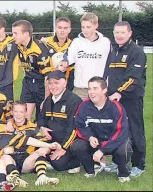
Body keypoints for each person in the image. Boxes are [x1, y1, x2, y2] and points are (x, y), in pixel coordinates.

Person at [104, 21, 147, 177]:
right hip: (115, 99)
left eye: (122, 32)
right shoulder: (114, 50)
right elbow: (108, 75)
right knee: (117, 131)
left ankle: (138, 165)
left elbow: (133, 78)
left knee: (135, 130)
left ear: (130, 33)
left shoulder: (137, 52)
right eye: (116, 33)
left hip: (131, 99)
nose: (119, 36)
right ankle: (118, 161)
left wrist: (119, 92)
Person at [72, 76, 131, 182]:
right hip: (96, 140)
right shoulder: (84, 106)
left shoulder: (116, 107)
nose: (91, 92)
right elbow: (79, 126)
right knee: (77, 146)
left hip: (114, 141)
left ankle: (123, 171)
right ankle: (91, 169)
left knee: (124, 149)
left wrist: (102, 149)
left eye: (95, 88)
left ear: (104, 90)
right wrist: (90, 137)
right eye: (89, 89)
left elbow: (120, 133)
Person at [36, 71, 83, 173]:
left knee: (58, 164)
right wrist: (42, 128)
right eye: (50, 83)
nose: (52, 86)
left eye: (56, 83)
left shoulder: (74, 101)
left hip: (68, 142)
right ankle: (48, 157)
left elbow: (74, 128)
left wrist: (63, 148)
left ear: (65, 83)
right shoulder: (48, 100)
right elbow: (41, 118)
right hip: (51, 141)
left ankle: (80, 161)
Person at [3, 101, 59, 186]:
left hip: (26, 161)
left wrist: (45, 150)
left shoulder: (33, 128)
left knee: (42, 151)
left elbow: (45, 145)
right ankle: (15, 178)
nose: (18, 114)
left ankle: (42, 177)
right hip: (11, 160)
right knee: (5, 156)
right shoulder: (7, 126)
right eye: (16, 111)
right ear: (11, 112)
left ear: (26, 113)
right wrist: (9, 122)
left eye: (21, 112)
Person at [60, 13, 111, 100]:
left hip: (98, 89)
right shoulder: (76, 42)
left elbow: (110, 64)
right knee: (76, 113)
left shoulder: (105, 42)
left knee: (98, 113)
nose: (85, 30)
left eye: (88, 27)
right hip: (80, 90)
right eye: (83, 27)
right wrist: (63, 62)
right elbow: (67, 58)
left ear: (96, 26)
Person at [11, 20, 54, 120]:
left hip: (41, 85)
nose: (13, 36)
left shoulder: (39, 49)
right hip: (28, 82)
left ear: (26, 34)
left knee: (41, 117)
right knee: (23, 116)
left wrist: (47, 99)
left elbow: (48, 76)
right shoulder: (18, 45)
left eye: (15, 33)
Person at [43, 17, 74, 91]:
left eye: (65, 28)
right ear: (55, 28)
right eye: (59, 27)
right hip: (48, 81)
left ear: (69, 30)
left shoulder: (73, 45)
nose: (62, 31)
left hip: (66, 82)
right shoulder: (45, 42)